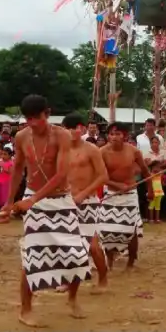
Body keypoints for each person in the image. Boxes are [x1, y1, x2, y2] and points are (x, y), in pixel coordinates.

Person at [0, 95, 90, 327]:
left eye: (36, 118)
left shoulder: (62, 135)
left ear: (46, 114)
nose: (31, 123)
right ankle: (25, 309)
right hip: (34, 200)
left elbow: (60, 174)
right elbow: (18, 168)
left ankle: (72, 298)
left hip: (60, 200)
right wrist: (10, 202)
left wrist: (32, 200)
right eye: (28, 118)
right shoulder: (21, 136)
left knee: (77, 255)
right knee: (32, 257)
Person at [62, 112, 110, 292]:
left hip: (88, 202)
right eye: (67, 128)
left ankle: (103, 279)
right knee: (67, 243)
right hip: (66, 201)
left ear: (81, 129)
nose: (70, 132)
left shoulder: (91, 150)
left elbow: (103, 176)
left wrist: (83, 195)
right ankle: (69, 280)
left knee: (92, 246)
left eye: (74, 128)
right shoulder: (61, 149)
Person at [99, 122, 152, 269]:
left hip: (130, 195)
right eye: (111, 134)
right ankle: (109, 259)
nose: (114, 137)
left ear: (125, 136)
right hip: (110, 194)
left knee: (132, 230)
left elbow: (146, 172)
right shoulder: (102, 152)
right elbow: (100, 176)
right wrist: (117, 186)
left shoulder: (134, 151)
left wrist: (150, 190)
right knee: (106, 229)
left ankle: (131, 260)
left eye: (118, 134)